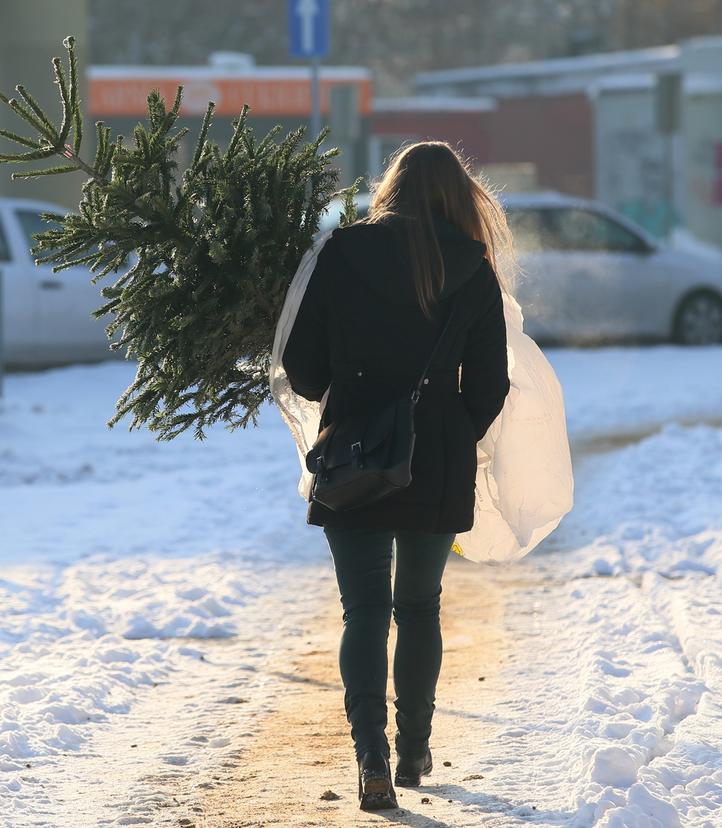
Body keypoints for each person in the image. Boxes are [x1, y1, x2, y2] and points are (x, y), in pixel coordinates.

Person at [280, 140, 513, 811]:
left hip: (352, 449)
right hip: (437, 453)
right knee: (418, 605)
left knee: (364, 610)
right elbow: (492, 383)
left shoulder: (341, 251)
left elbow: (302, 366)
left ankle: (370, 757)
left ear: (391, 188)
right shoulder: (472, 266)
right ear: (458, 197)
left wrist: (349, 392)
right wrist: (448, 428)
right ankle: (414, 748)